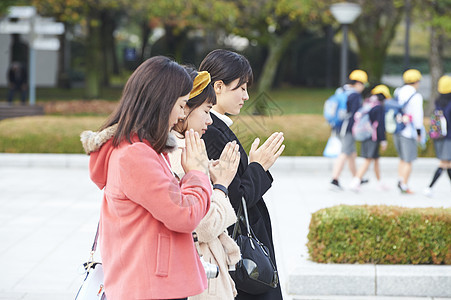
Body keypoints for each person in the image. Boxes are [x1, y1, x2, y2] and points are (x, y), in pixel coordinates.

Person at [80, 56, 213, 300]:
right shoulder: (136, 155)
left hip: (148, 282)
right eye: (182, 104)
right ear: (163, 103)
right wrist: (196, 174)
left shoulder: (141, 148)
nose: (182, 114)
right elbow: (184, 215)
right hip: (149, 286)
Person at [199, 49, 285, 300]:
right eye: (241, 88)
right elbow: (232, 198)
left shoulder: (217, 127)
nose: (246, 96)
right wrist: (258, 167)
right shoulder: (211, 132)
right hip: (235, 246)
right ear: (218, 87)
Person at [169, 68, 242, 300]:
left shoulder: (179, 149)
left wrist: (209, 176)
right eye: (207, 111)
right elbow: (205, 225)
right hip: (199, 275)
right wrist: (221, 184)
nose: (210, 120)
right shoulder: (182, 153)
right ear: (184, 108)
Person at [330, 69, 368, 190]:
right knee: (344, 153)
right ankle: (334, 179)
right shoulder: (355, 95)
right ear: (358, 83)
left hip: (339, 127)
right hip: (348, 129)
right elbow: (356, 114)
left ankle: (357, 178)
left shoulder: (341, 91)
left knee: (351, 153)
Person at [349, 84, 390, 192]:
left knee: (375, 159)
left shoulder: (367, 103)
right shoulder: (379, 107)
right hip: (373, 137)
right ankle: (356, 181)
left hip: (365, 135)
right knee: (368, 159)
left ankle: (380, 182)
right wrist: (383, 141)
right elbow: (380, 125)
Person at [393, 69, 424, 194]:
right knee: (408, 159)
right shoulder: (416, 96)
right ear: (417, 81)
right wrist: (419, 133)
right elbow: (418, 116)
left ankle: (400, 179)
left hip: (397, 128)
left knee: (402, 158)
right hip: (409, 131)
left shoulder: (398, 91)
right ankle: (404, 185)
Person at [423, 75, 451, 197]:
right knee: (444, 163)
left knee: (448, 163)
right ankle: (429, 187)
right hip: (448, 138)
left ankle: (430, 188)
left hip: (438, 137)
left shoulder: (438, 101)